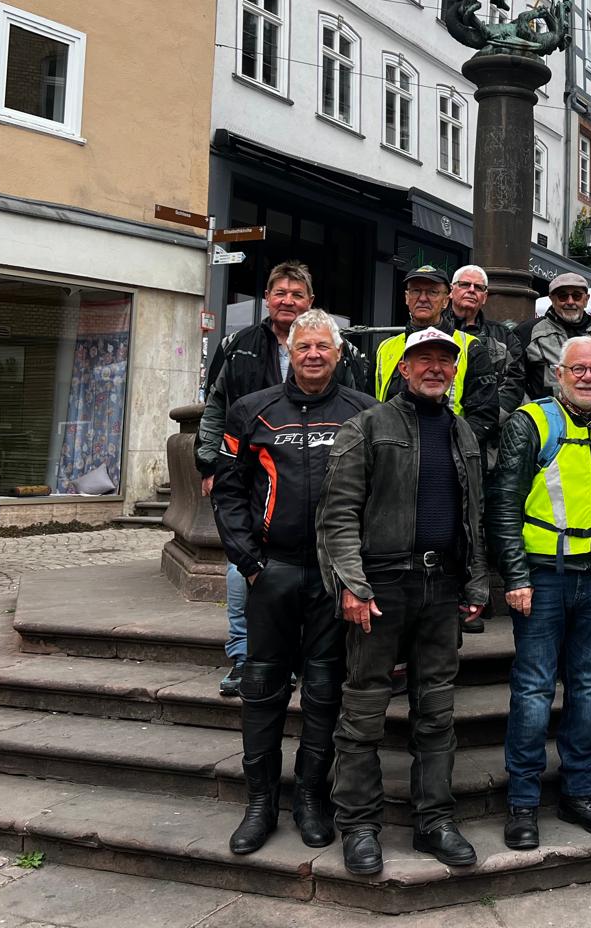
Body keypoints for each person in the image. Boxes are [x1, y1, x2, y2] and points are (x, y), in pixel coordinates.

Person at [316, 327, 490, 875]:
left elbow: (474, 516)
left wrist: (475, 582)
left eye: (445, 360)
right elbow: (337, 514)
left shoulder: (463, 431)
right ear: (404, 368)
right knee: (364, 710)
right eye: (424, 359)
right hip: (382, 587)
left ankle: (434, 821)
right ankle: (359, 825)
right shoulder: (368, 426)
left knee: (436, 712)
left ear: (454, 371)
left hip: (441, 589)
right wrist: (351, 585)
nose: (435, 368)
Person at [212, 310, 375, 856]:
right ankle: (260, 803)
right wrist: (250, 562)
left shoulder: (363, 412)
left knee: (325, 692)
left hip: (334, 576)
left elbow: (379, 492)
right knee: (262, 689)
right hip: (273, 571)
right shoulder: (251, 410)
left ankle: (310, 798)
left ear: (338, 353)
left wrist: (358, 570)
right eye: (303, 346)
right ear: (290, 352)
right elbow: (228, 491)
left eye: (322, 347)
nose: (313, 355)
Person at [486, 336, 591, 850]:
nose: (588, 377)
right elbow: (503, 502)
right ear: (558, 373)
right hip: (543, 576)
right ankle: (523, 802)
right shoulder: (531, 422)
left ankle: (579, 792)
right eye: (578, 369)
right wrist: (515, 577)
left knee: (590, 687)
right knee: (533, 688)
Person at [198, 261, 372, 697]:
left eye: (297, 294)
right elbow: (215, 406)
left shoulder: (342, 349)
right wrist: (209, 463)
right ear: (267, 299)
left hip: (320, 472)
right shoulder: (238, 344)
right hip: (253, 467)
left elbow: (358, 406)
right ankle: (243, 654)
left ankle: (306, 660)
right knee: (243, 569)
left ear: (310, 301)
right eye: (280, 293)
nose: (288, 300)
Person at [376, 266, 499, 454]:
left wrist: (447, 449)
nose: (423, 298)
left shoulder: (470, 347)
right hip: (391, 455)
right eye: (416, 291)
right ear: (407, 297)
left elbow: (484, 417)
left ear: (445, 300)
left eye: (432, 292)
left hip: (448, 456)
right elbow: (371, 403)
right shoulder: (386, 348)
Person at [443, 263, 525, 424]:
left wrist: (486, 422)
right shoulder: (433, 330)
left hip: (486, 429)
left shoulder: (504, 337)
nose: (471, 290)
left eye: (478, 287)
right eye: (465, 284)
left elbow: (513, 385)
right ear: (451, 291)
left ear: (485, 297)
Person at [513, 272, 591, 400]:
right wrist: (529, 408)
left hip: (590, 411)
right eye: (563, 296)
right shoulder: (527, 332)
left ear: (586, 299)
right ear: (552, 299)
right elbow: (512, 380)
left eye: (577, 296)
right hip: (541, 411)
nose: (570, 301)